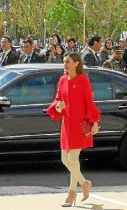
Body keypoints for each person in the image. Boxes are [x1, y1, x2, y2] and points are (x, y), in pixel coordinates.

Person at [46, 52, 101, 206]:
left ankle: (71, 193)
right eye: (64, 61)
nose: (65, 64)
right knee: (65, 159)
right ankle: (84, 183)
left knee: (73, 159)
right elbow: (58, 99)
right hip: (66, 124)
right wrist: (57, 106)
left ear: (76, 63)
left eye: (68, 61)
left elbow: (89, 103)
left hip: (80, 125)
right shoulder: (62, 80)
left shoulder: (83, 80)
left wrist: (95, 122)